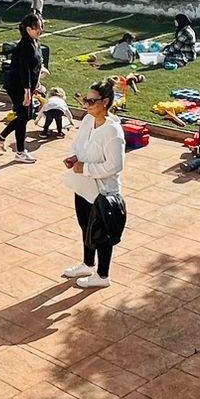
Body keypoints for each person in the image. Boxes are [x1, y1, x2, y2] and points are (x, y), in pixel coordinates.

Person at [63, 80, 127, 290]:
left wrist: (86, 168)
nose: (86, 105)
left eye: (91, 101)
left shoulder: (113, 132)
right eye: (86, 100)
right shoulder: (88, 120)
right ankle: (88, 264)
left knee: (102, 234)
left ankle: (102, 275)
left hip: (102, 192)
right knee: (86, 226)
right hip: (83, 186)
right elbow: (78, 144)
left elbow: (115, 166)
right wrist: (74, 157)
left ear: (105, 102)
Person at [0, 13, 44, 162]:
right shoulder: (25, 46)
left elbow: (35, 64)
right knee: (23, 117)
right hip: (17, 86)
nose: (40, 30)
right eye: (38, 27)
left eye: (41, 26)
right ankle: (20, 152)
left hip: (25, 85)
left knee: (26, 116)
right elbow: (24, 70)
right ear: (28, 29)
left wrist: (39, 77)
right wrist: (27, 91)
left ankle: (1, 137)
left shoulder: (33, 42)